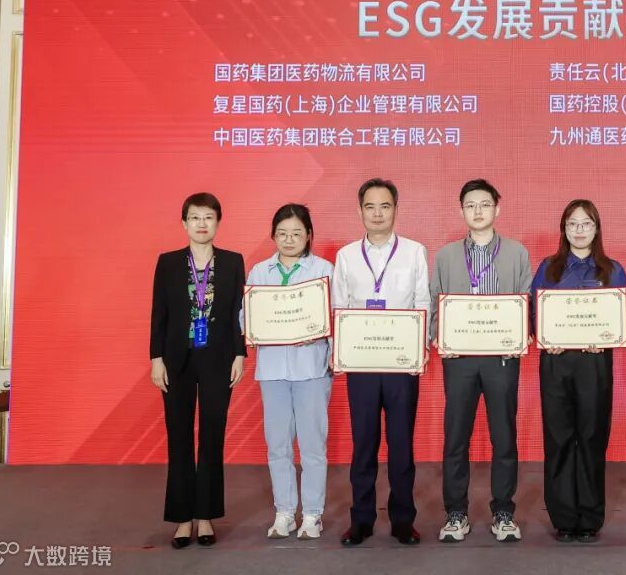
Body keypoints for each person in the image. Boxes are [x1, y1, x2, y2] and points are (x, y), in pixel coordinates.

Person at [430, 179, 532, 544]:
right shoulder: (445, 256)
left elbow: (526, 301)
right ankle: (455, 513)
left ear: (497, 209)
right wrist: (438, 336)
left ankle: (503, 512)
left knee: (504, 436)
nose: (477, 211)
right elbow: (434, 302)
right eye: (470, 205)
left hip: (501, 357)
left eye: (484, 204)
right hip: (459, 358)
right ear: (461, 211)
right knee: (456, 436)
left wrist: (522, 333)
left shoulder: (517, 253)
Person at [333, 179, 429, 547]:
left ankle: (403, 520)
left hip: (401, 363)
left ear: (395, 210)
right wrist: (341, 353)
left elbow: (422, 302)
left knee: (401, 445)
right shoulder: (345, 256)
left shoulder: (414, 252)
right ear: (359, 211)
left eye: (385, 206)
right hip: (361, 364)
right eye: (370, 206)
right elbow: (340, 307)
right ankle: (361, 520)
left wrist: (418, 349)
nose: (377, 213)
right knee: (364, 444)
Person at [149, 192, 246, 549]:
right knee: (178, 437)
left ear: (218, 222)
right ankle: (181, 518)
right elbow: (159, 312)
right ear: (184, 223)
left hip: (219, 358)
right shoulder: (169, 262)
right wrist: (156, 358)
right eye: (195, 217)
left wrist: (240, 353)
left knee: (212, 436)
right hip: (177, 360)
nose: (202, 224)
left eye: (208, 217)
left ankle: (205, 515)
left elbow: (238, 312)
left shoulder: (233, 262)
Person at [529, 199, 626, 544]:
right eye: (573, 224)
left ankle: (589, 516)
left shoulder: (612, 270)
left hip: (594, 362)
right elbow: (533, 310)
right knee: (558, 437)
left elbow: (620, 316)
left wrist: (606, 338)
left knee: (591, 436)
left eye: (586, 224)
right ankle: (563, 518)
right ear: (564, 229)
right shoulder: (549, 268)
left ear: (597, 228)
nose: (579, 230)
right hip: (556, 361)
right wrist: (544, 336)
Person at [245, 204, 334, 540]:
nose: (289, 239)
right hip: (272, 370)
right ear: (273, 236)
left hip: (312, 368)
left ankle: (312, 514)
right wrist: (256, 329)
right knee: (278, 445)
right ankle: (284, 512)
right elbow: (245, 318)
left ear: (309, 235)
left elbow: (335, 315)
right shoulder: (259, 272)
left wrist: (323, 338)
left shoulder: (324, 270)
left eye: (297, 233)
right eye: (282, 233)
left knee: (313, 445)